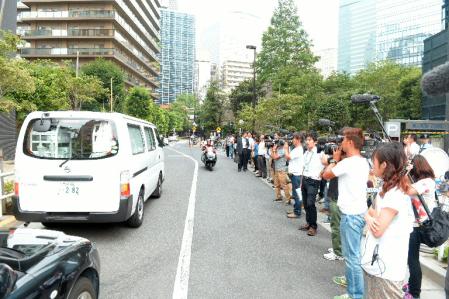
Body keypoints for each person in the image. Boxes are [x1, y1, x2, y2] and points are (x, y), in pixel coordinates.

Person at [322, 128, 369, 299]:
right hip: (357, 213)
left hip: (350, 215)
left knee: (352, 258)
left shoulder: (348, 163)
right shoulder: (362, 161)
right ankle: (351, 287)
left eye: (343, 140)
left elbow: (326, 174)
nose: (340, 143)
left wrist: (334, 160)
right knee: (353, 256)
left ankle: (355, 294)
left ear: (350, 142)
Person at [361, 142, 413, 299]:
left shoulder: (395, 194)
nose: (372, 166)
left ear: (384, 165)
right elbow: (369, 212)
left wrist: (369, 219)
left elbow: (377, 230)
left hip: (386, 268)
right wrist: (369, 218)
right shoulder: (386, 189)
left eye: (374, 162)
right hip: (378, 263)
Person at [403, 155, 437, 299]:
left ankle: (415, 292)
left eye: (412, 166)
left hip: (418, 226)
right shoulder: (419, 181)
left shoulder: (427, 182)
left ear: (417, 167)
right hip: (414, 225)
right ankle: (412, 284)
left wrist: (405, 172)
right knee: (411, 258)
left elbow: (409, 191)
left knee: (413, 260)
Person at [299, 132, 324, 237]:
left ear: (315, 141)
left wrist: (321, 175)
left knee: (310, 203)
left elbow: (327, 165)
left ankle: (313, 226)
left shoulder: (320, 152)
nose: (307, 142)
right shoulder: (306, 152)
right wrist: (301, 181)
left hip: (313, 181)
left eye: (310, 140)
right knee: (305, 203)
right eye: (307, 140)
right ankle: (308, 223)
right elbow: (304, 167)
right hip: (305, 179)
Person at [285, 132, 304, 219]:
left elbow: (288, 157)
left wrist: (285, 148)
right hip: (294, 174)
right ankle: (296, 209)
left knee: (297, 194)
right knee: (295, 193)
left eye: (294, 139)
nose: (292, 140)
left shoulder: (299, 149)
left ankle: (297, 212)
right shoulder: (296, 149)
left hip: (297, 175)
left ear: (298, 140)